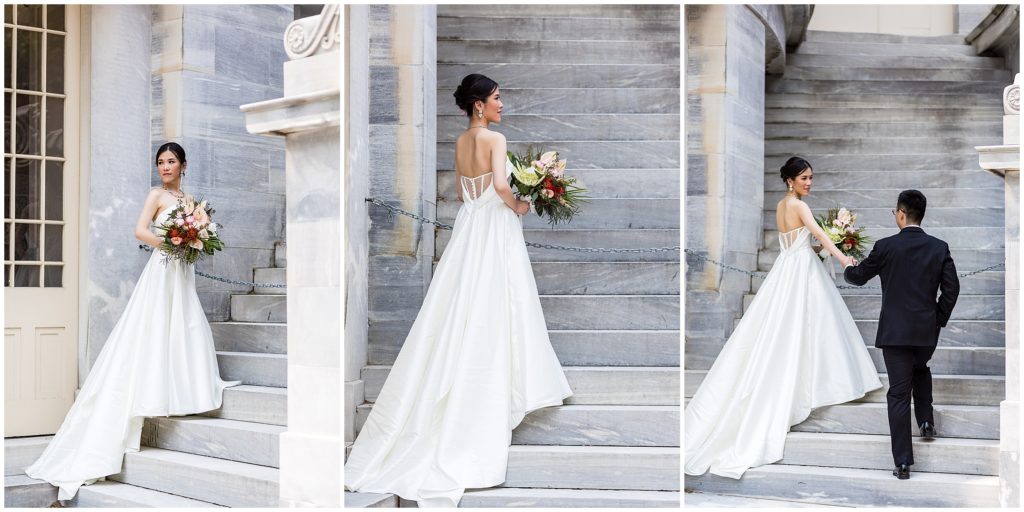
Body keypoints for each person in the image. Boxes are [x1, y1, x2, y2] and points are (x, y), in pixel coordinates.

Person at [344, 74, 573, 507]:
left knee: (462, 301)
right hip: (494, 226)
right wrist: (523, 204)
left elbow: (468, 190)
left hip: (470, 225)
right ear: (479, 105)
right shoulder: (495, 138)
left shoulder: (460, 142)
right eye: (497, 98)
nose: (502, 104)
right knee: (498, 297)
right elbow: (502, 188)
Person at [25, 143, 240, 500]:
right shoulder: (155, 194)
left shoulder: (190, 200)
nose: (165, 166)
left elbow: (200, 234)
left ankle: (187, 389)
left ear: (184, 165)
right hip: (162, 268)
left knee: (185, 324)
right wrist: (171, 242)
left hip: (181, 271)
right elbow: (140, 230)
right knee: (154, 327)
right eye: (160, 162)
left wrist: (194, 239)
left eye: (171, 161)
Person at [685, 156, 882, 479]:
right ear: (790, 180)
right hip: (799, 269)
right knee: (809, 323)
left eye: (811, 177)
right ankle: (819, 382)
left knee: (801, 324)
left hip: (789, 266)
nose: (809, 182)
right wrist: (845, 258)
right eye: (804, 178)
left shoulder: (781, 206)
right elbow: (818, 235)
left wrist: (828, 247)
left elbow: (800, 242)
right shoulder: (799, 207)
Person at [844, 189, 959, 480]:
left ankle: (904, 462)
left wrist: (846, 265)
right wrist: (937, 320)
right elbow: (952, 288)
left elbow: (858, 278)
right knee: (920, 369)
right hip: (925, 330)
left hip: (894, 332)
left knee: (898, 393)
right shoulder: (939, 247)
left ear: (900, 213)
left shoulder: (885, 247)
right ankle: (926, 423)